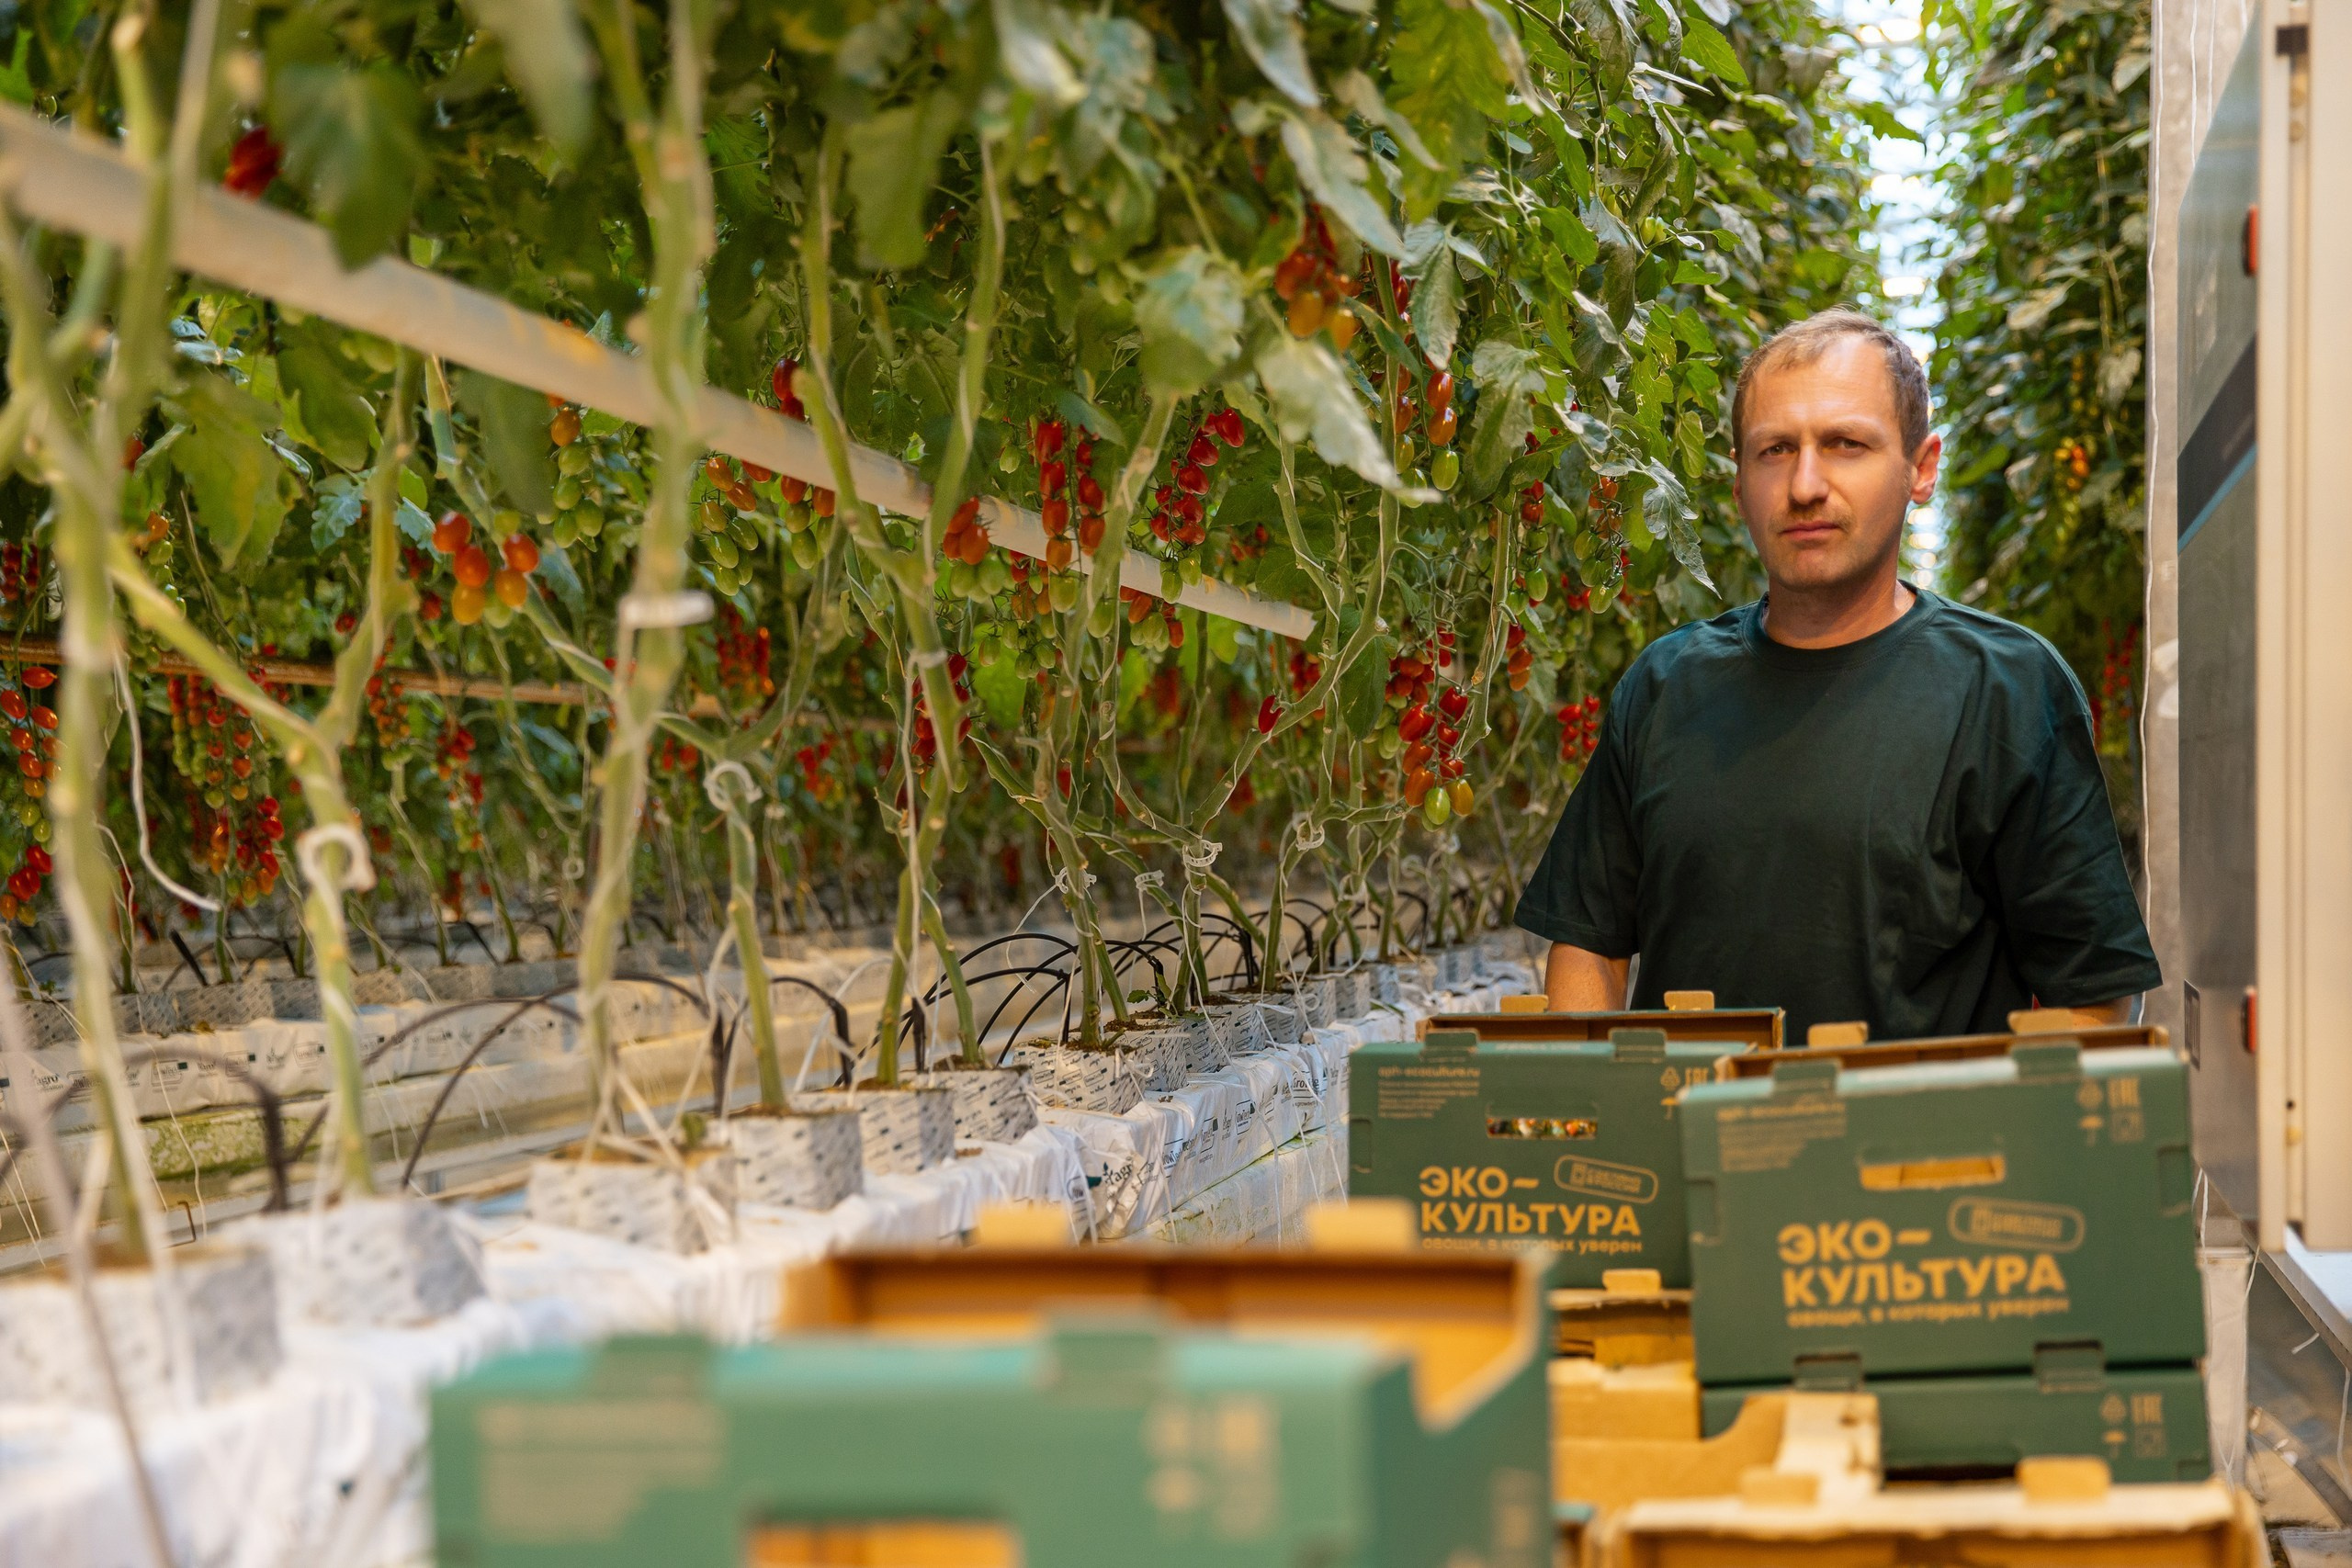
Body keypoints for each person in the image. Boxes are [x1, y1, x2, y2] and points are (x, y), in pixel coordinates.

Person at [1513, 308, 2159, 1041]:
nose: (1805, 484)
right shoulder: (1665, 688)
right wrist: (1591, 1095)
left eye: (1846, 444)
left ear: (1922, 468)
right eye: (1775, 450)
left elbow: (2094, 993)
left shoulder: (2007, 692)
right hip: (1686, 1119)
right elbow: (1590, 945)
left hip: (1909, 1120)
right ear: (1738, 484)